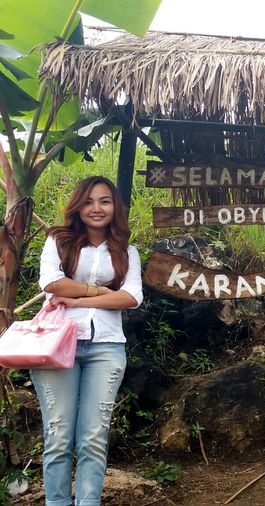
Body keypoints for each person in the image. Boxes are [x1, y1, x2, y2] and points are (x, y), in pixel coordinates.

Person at [34, 176, 143, 506]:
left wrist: (78, 299)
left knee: (94, 438)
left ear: (115, 207)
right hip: (55, 348)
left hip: (107, 348)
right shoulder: (58, 241)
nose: (97, 208)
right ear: (78, 206)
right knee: (58, 436)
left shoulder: (127, 251)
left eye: (105, 201)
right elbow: (52, 283)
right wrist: (100, 292)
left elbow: (131, 297)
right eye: (89, 201)